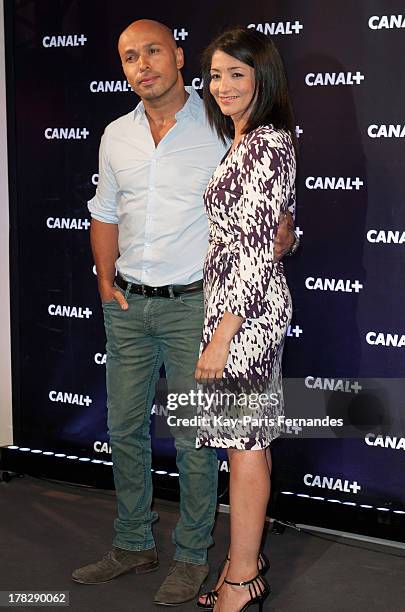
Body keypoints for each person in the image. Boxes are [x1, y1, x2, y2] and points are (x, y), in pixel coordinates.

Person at [71, 19, 296, 607]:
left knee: (197, 438)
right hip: (127, 304)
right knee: (123, 429)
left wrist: (280, 241)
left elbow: (271, 216)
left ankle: (195, 558)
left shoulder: (224, 125)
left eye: (152, 52)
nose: (141, 65)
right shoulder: (116, 133)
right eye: (127, 57)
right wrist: (103, 280)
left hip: (199, 305)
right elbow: (104, 209)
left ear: (175, 56)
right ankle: (132, 544)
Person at [195, 27, 297, 612]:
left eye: (237, 73)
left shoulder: (266, 143)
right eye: (215, 74)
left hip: (246, 316)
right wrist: (290, 235)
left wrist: (223, 337)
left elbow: (255, 248)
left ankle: (240, 580)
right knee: (242, 443)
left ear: (263, 77)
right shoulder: (247, 141)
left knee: (243, 445)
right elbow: (272, 230)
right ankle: (247, 563)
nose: (222, 85)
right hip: (237, 306)